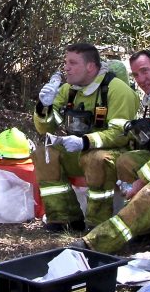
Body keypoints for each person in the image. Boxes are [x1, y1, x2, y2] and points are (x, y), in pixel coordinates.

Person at [72, 50, 150, 253]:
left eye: (145, 71)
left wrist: (141, 180)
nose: (141, 79)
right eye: (135, 75)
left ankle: (94, 243)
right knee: (127, 160)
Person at [32, 43, 139, 232]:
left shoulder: (117, 90)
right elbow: (45, 127)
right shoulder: (68, 90)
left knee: (95, 158)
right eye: (66, 62)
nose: (66, 67)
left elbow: (120, 134)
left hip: (113, 153)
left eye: (73, 63)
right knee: (43, 154)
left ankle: (97, 222)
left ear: (90, 66)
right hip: (78, 150)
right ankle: (64, 218)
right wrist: (43, 106)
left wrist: (85, 142)